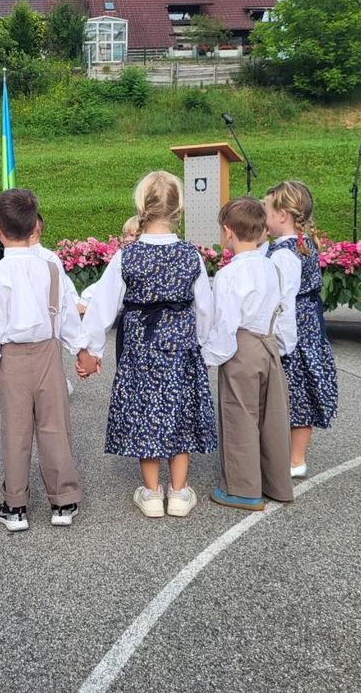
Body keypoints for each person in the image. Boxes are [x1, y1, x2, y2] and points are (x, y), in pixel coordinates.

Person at [79, 172, 215, 518]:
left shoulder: (127, 256)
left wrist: (91, 351)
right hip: (180, 347)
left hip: (141, 347)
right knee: (180, 412)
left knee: (145, 412)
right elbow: (205, 308)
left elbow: (103, 306)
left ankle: (152, 493)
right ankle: (179, 492)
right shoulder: (191, 255)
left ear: (141, 206)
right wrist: (201, 344)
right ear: (178, 208)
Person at [0, 188, 86, 532]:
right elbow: (67, 315)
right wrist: (82, 352)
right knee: (55, 426)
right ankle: (63, 501)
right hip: (48, 353)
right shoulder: (51, 268)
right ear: (34, 226)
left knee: (16, 430)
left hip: (13, 358)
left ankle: (16, 506)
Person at [201, 197, 294, 511]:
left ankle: (243, 489)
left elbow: (226, 325)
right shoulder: (272, 267)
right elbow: (283, 311)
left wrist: (208, 357)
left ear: (228, 231)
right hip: (268, 344)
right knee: (271, 417)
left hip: (242, 347)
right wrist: (282, 347)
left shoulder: (229, 275)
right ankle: (275, 482)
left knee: (240, 415)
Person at [264, 181, 339, 479]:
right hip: (309, 327)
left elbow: (284, 300)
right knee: (302, 391)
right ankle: (295, 458)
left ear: (282, 215)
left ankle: (293, 459)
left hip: (294, 330)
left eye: (267, 210)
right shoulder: (304, 243)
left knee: (294, 393)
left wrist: (281, 342)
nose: (264, 217)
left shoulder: (285, 253)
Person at [77, 215, 139, 315]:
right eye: (125, 235)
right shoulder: (123, 257)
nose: (127, 239)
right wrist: (85, 300)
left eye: (132, 235)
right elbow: (107, 281)